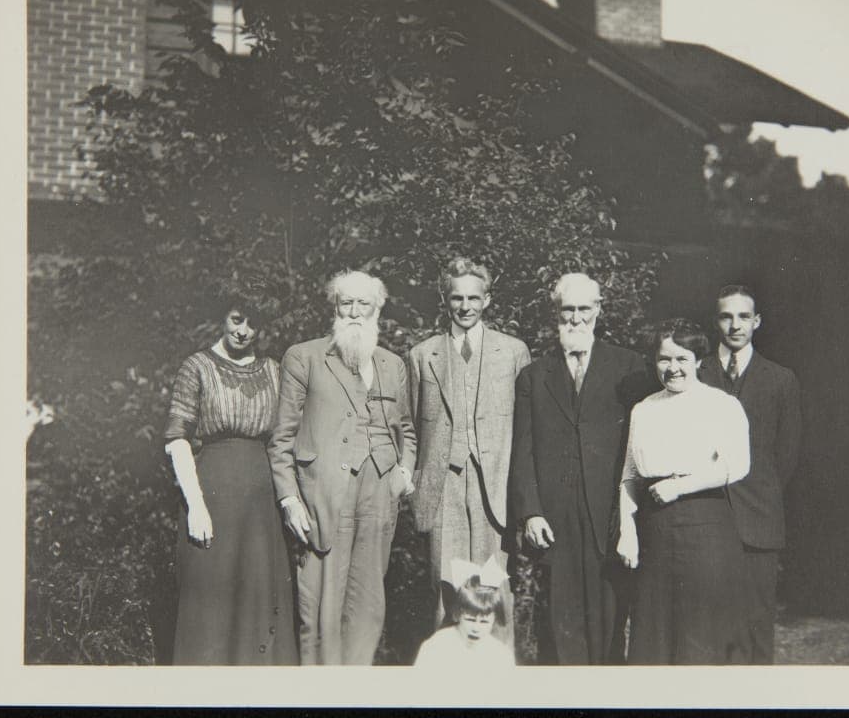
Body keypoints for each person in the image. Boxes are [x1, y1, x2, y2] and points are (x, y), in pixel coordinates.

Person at [267, 270, 417, 665]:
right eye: (345, 303)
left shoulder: (392, 364)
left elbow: (407, 430)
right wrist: (290, 499)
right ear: (334, 307)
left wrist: (403, 476)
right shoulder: (305, 356)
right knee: (320, 607)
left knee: (369, 603)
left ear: (376, 310)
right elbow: (282, 438)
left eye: (362, 304)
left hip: (380, 494)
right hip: (324, 494)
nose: (353, 312)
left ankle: (357, 693)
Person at [508, 272, 648, 664]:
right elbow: (523, 451)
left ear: (599, 310)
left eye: (584, 308)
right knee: (558, 621)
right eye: (567, 309)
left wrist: (632, 512)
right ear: (555, 312)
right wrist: (530, 512)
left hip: (609, 513)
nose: (575, 318)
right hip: (556, 517)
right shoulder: (534, 376)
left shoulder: (630, 367)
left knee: (610, 617)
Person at [163, 280, 297, 665]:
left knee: (260, 602)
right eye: (237, 319)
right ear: (224, 316)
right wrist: (196, 506)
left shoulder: (274, 370)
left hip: (261, 508)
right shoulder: (197, 367)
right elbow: (177, 439)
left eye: (252, 324)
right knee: (211, 606)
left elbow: (283, 441)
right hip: (213, 499)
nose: (243, 331)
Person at [408, 258, 531, 646]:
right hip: (443, 489)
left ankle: (499, 686)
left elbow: (527, 430)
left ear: (488, 300)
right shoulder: (422, 354)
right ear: (445, 301)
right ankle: (450, 683)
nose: (465, 306)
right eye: (457, 298)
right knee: (450, 590)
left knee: (494, 587)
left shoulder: (512, 351)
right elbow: (411, 425)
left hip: (495, 487)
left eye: (474, 297)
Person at [618, 318, 751, 665]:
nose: (673, 368)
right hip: (655, 530)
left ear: (698, 361)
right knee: (653, 634)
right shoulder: (643, 409)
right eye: (665, 359)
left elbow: (737, 465)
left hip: (705, 527)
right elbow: (630, 476)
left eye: (682, 359)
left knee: (701, 636)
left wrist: (680, 487)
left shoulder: (720, 405)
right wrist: (627, 532)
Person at [698, 284, 802, 664]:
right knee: (707, 622)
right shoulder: (696, 372)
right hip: (705, 518)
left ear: (757, 322)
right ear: (715, 322)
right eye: (726, 316)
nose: (735, 325)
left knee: (756, 625)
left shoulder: (780, 380)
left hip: (759, 520)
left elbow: (786, 456)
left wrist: (759, 495)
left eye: (744, 317)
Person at [413, 558, 516, 671]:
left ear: (495, 619)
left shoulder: (500, 654)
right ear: (457, 614)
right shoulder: (437, 646)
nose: (476, 628)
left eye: (484, 621)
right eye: (470, 620)